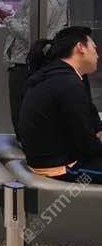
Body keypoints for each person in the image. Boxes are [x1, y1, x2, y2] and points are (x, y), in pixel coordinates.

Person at [0, 0, 69, 136]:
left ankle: (28, 149)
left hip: (27, 63)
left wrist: (8, 19)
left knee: (23, 117)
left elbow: (32, 33)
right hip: (38, 60)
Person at [18, 26, 102, 184]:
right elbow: (86, 144)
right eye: (94, 48)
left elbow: (91, 119)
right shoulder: (67, 83)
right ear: (80, 47)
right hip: (61, 167)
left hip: (54, 160)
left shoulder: (59, 74)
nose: (97, 55)